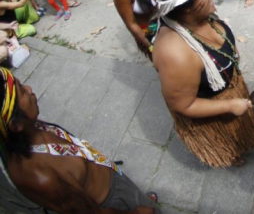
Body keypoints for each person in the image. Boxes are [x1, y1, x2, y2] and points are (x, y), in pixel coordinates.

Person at [0, 67, 160, 212]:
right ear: (15, 125)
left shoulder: (27, 129)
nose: (29, 89)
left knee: (140, 199)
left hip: (110, 176)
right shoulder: (41, 177)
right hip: (112, 204)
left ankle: (140, 199)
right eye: (22, 91)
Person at [152, 0, 254, 167]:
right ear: (184, 8)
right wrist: (230, 104)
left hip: (229, 87)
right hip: (211, 106)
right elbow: (184, 104)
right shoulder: (175, 54)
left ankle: (240, 142)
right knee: (226, 146)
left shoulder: (202, 16)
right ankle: (228, 153)